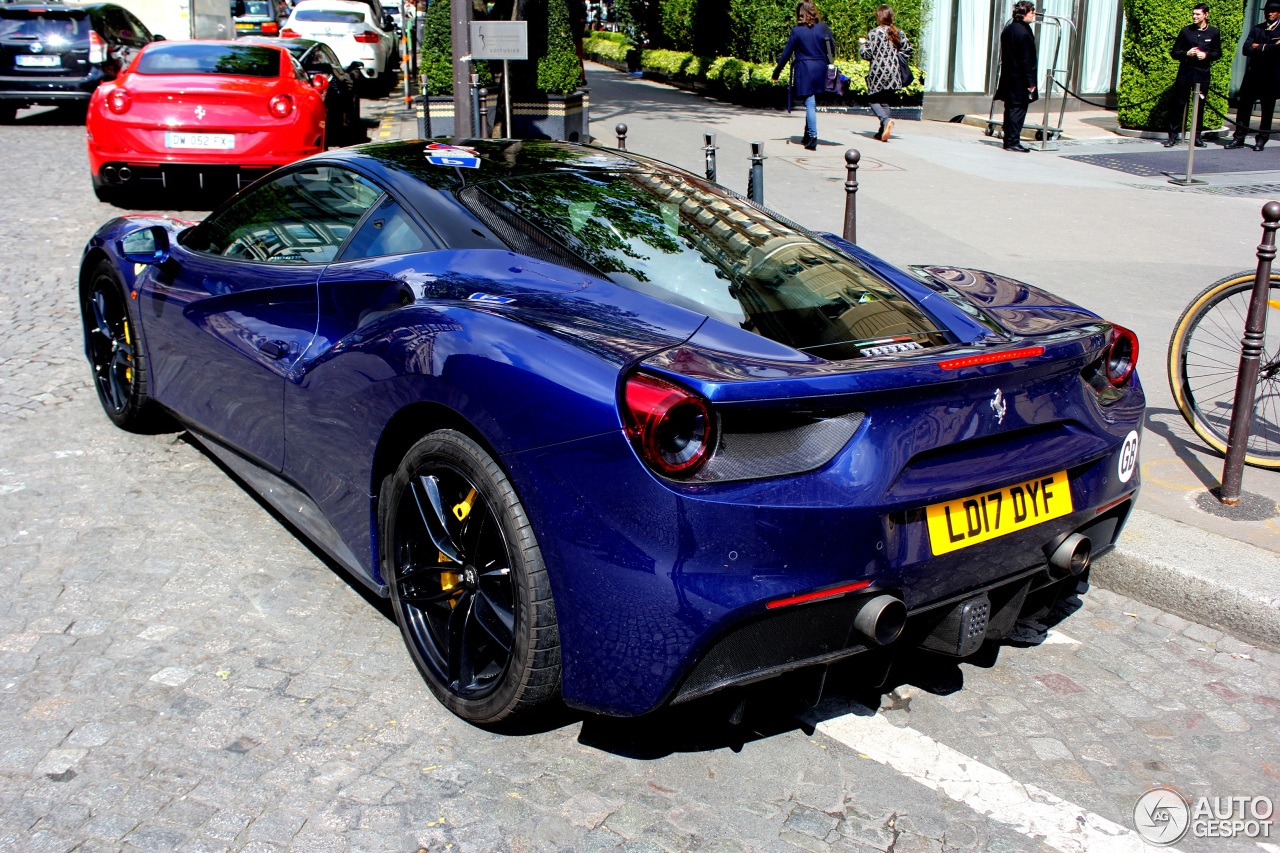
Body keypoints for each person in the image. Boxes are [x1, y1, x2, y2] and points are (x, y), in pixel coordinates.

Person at [772, 1, 836, 151]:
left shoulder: (797, 31)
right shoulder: (823, 28)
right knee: (811, 101)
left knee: (810, 104)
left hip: (804, 69)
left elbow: (786, 53)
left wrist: (777, 72)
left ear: (800, 13)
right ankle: (807, 135)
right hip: (820, 68)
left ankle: (813, 136)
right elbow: (831, 48)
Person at [1226, 0, 1280, 150]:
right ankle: (1239, 137)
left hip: (1270, 77)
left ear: (1279, 13)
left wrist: (1259, 47)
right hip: (1252, 75)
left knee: (1267, 110)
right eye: (1267, 11)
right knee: (1244, 108)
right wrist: (1269, 47)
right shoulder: (1257, 29)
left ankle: (1262, 139)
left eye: (1273, 11)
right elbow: (1246, 49)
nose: (1269, 13)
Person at [1165, 3, 1221, 148]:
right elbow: (1174, 52)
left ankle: (1197, 137)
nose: (1194, 16)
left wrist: (1206, 55)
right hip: (1185, 73)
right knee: (1178, 105)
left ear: (1206, 15)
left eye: (1198, 14)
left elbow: (1217, 53)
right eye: (1193, 14)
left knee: (1199, 106)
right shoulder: (1186, 31)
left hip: (1202, 75)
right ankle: (1172, 135)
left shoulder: (1214, 32)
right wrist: (1187, 53)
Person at [858, 5, 912, 141]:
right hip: (894, 72)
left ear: (879, 17)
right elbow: (908, 50)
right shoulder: (898, 32)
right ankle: (882, 132)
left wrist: (863, 44)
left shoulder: (874, 33)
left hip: (878, 72)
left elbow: (866, 54)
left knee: (872, 99)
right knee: (885, 101)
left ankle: (885, 120)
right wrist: (895, 58)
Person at [994, 0, 1038, 152]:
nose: (1033, 15)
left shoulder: (1009, 29)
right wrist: (1031, 81)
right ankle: (1012, 141)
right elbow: (1027, 60)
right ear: (1024, 13)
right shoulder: (1023, 33)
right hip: (1020, 79)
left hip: (1009, 76)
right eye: (1031, 12)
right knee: (1018, 109)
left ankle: (1009, 139)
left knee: (1010, 108)